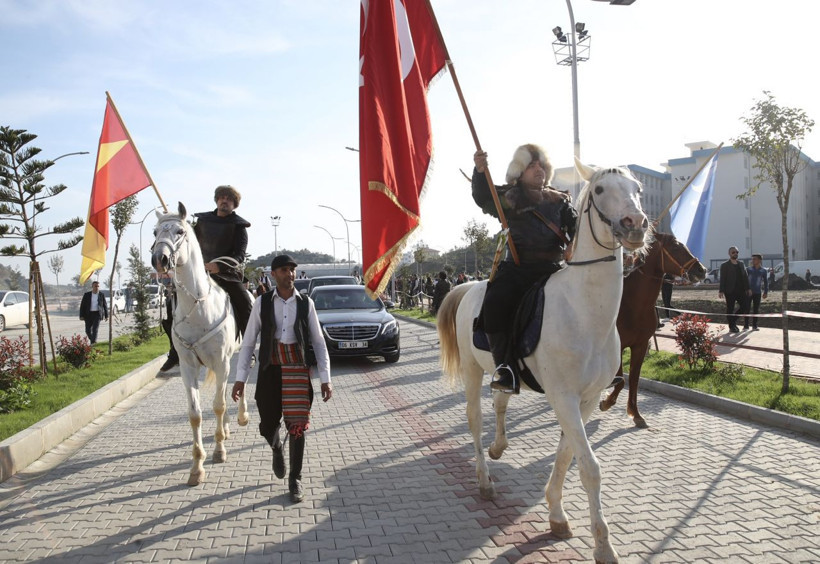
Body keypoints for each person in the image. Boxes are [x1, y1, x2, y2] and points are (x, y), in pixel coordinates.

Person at [472, 144, 577, 393]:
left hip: (553, 270)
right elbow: (483, 197)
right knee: (495, 302)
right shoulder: (509, 196)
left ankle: (602, 364)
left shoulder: (560, 199)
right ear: (520, 171)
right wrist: (479, 171)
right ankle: (505, 369)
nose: (538, 169)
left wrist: (574, 243)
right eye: (531, 165)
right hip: (517, 271)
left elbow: (575, 225)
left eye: (541, 165)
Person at [232, 255, 332, 503]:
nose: (290, 274)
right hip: (270, 369)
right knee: (267, 425)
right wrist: (240, 378)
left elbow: (318, 342)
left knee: (297, 427)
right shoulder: (262, 303)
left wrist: (325, 378)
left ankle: (295, 479)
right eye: (284, 270)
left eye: (293, 270)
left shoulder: (305, 303)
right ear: (274, 274)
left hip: (297, 369)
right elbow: (248, 343)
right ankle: (277, 448)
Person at [160, 186, 254, 372]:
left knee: (246, 304)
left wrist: (219, 266)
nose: (224, 200)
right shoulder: (202, 221)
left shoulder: (239, 226)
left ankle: (248, 349)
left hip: (227, 275)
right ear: (216, 200)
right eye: (221, 197)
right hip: (199, 274)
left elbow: (240, 256)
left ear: (234, 204)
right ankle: (174, 352)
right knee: (172, 303)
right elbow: (189, 242)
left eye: (229, 198)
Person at [718, 246, 751, 333]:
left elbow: (745, 277)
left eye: (737, 252)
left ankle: (732, 321)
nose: (735, 254)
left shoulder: (741, 264)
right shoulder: (725, 265)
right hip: (730, 291)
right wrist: (721, 290)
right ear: (729, 254)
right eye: (733, 252)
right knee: (730, 308)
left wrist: (748, 288)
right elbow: (723, 278)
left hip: (741, 290)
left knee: (745, 306)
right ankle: (732, 327)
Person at [744, 253, 768, 330]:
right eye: (752, 259)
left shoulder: (763, 271)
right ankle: (746, 325)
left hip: (757, 292)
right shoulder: (749, 269)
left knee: (756, 309)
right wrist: (747, 289)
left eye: (755, 259)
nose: (753, 260)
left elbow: (766, 282)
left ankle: (754, 325)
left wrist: (765, 292)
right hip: (748, 292)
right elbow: (744, 280)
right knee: (747, 308)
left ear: (759, 260)